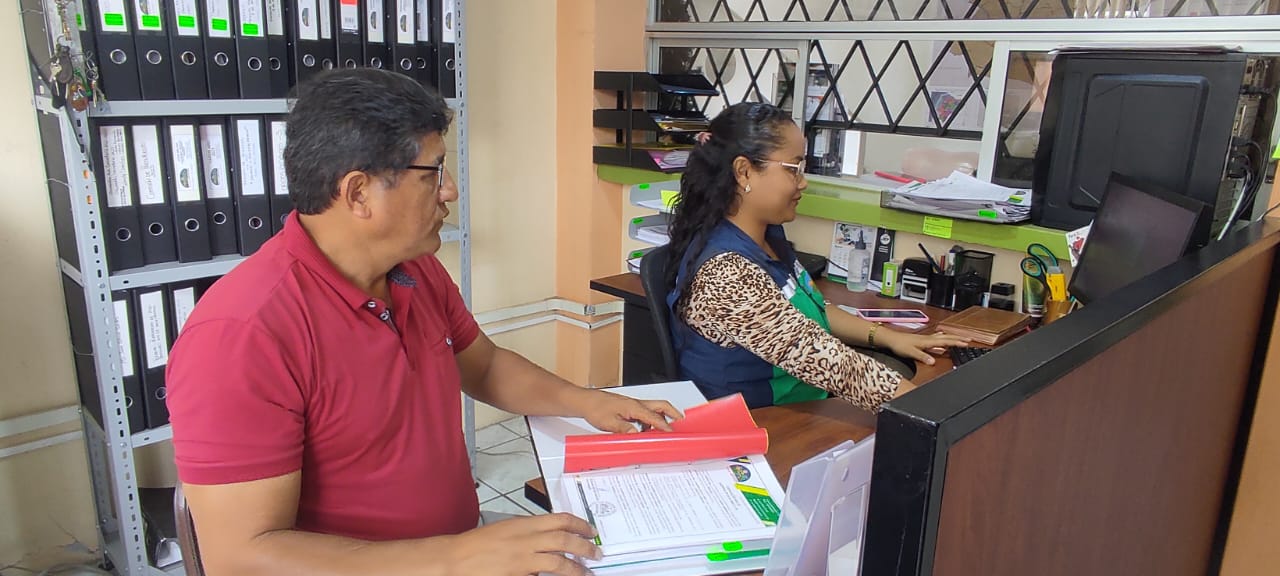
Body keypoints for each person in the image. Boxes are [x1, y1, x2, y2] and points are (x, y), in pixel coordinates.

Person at [166, 68, 680, 576]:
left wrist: (588, 402)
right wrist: (457, 559)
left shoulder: (413, 268)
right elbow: (241, 557)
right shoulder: (241, 335)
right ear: (358, 193)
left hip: (451, 549)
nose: (449, 190)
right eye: (434, 172)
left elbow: (484, 366)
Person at [665, 102, 968, 411]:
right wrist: (935, 414)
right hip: (762, 423)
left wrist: (888, 337)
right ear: (744, 172)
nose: (803, 181)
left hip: (803, 403)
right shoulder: (727, 273)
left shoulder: (768, 237)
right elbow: (825, 360)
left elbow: (812, 310)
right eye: (793, 168)